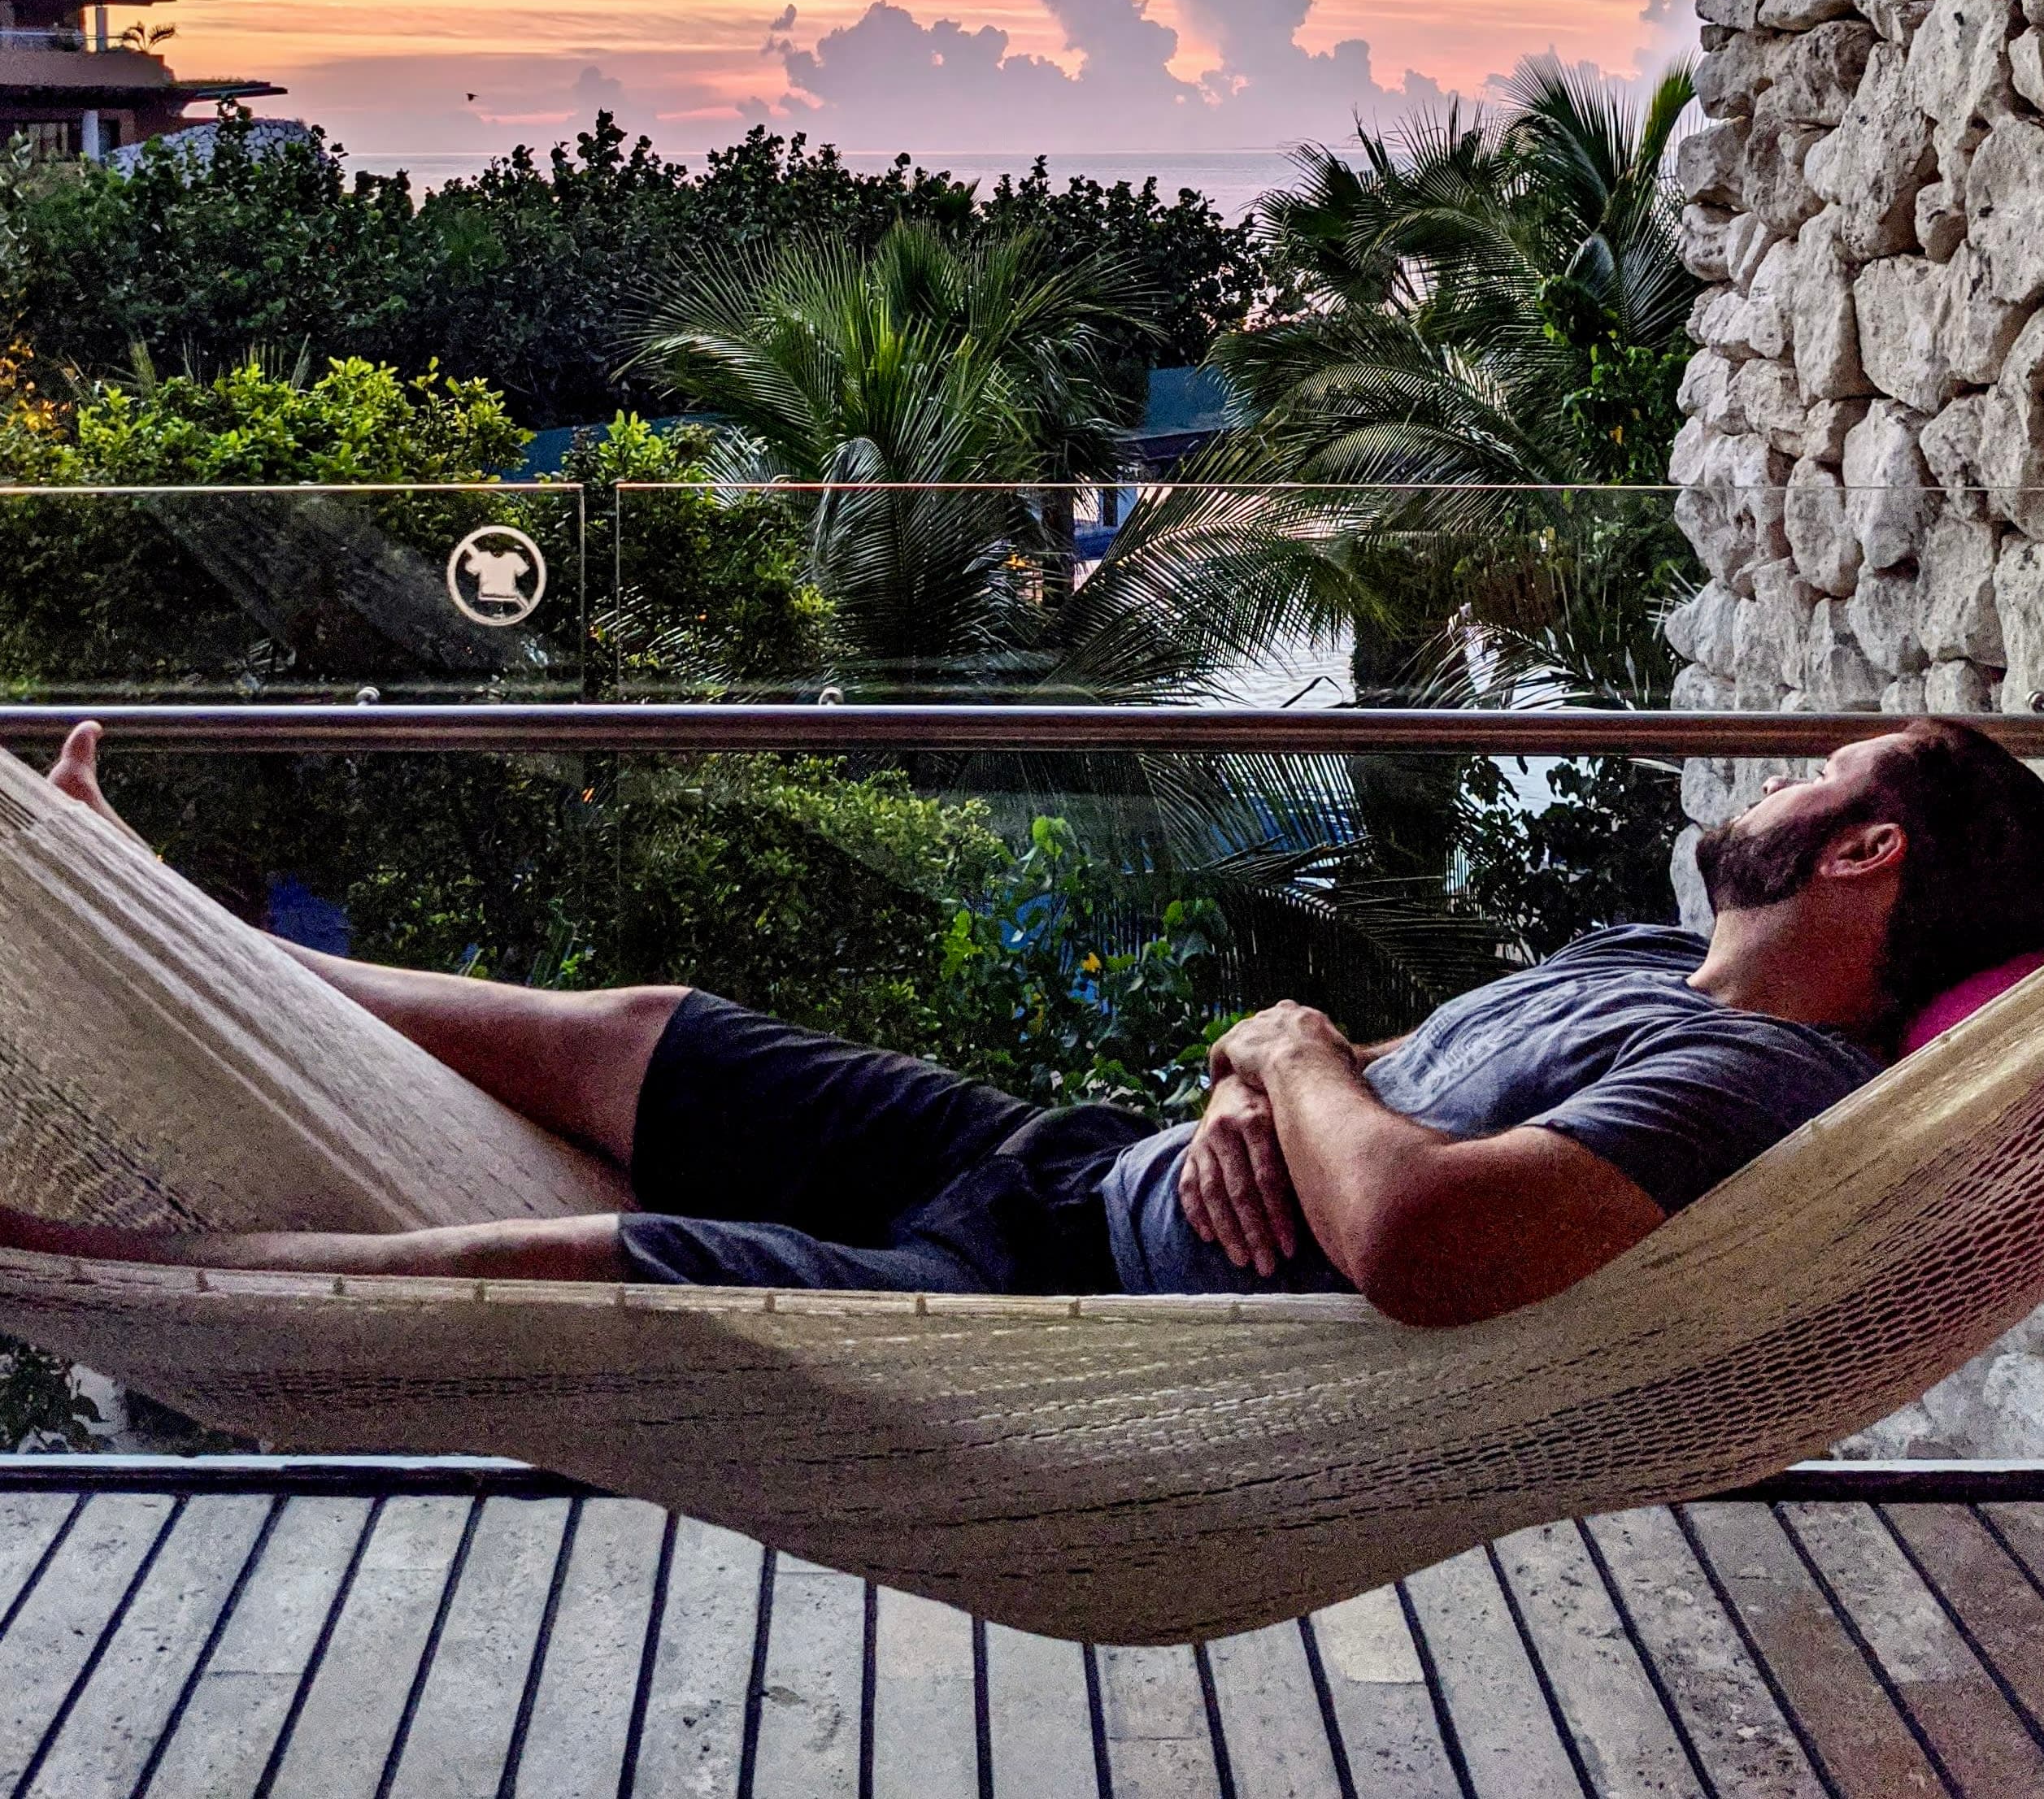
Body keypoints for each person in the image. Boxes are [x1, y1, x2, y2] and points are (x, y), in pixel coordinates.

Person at [7, 715, 2042, 1328]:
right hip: (1067, 1157)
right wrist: (1262, 1066)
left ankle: (126, 1278)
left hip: (1061, 1302)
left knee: (589, 1267)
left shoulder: (1757, 1069)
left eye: (1813, 773)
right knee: (634, 1029)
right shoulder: (1641, 963)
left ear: (1861, 855)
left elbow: (1422, 1232)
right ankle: (160, 919)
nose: (1763, 778)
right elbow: (1339, 1111)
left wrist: (1292, 1050)